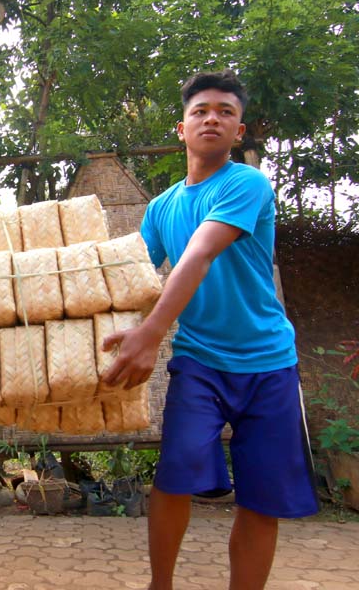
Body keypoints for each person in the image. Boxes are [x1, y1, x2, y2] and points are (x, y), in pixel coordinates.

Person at [101, 70, 319, 590]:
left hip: (268, 363)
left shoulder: (247, 183)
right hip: (199, 362)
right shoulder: (160, 208)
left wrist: (152, 334)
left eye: (225, 111)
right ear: (182, 127)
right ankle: (161, 586)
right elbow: (127, 281)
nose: (212, 118)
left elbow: (198, 255)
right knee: (174, 478)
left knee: (261, 497)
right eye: (201, 111)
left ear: (238, 131)